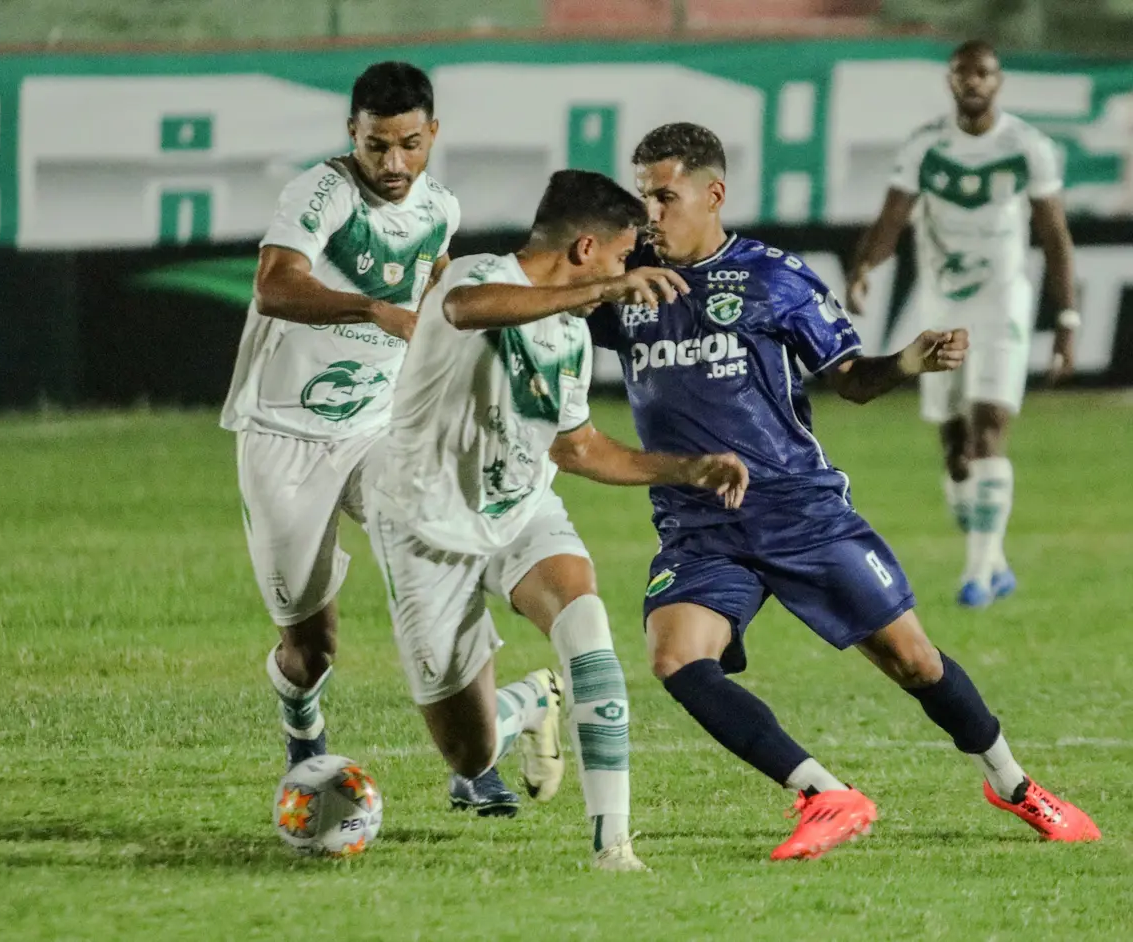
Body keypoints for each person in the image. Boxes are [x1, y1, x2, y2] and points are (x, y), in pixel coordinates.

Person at [588, 121, 1100, 861]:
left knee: (915, 663)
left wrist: (906, 362)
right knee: (675, 659)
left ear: (713, 194)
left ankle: (1013, 783)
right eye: (643, 197)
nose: (650, 214)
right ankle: (823, 792)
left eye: (664, 197)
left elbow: (851, 381)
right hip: (697, 523)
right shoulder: (627, 282)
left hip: (799, 511)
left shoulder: (773, 278)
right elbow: (546, 299)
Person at [366, 169, 749, 869]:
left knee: (587, 626)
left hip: (519, 507)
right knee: (471, 752)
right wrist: (602, 292)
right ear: (584, 249)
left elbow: (577, 449)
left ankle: (613, 846)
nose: (626, 270)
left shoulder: (569, 335)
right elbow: (466, 311)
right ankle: (526, 704)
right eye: (622, 256)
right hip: (424, 526)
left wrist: (689, 468)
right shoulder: (477, 277)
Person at [220, 62, 457, 769]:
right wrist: (372, 309)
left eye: (410, 145)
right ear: (352, 132)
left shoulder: (442, 208)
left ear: (433, 133)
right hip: (283, 437)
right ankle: (301, 717)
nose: (394, 164)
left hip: (374, 430)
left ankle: (477, 761)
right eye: (377, 145)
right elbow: (274, 287)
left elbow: (435, 274)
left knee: (435, 562)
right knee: (311, 647)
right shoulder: (321, 193)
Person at [847, 39, 1079, 608]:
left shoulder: (1027, 146)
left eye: (983, 73)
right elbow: (892, 217)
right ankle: (992, 559)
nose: (973, 81)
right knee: (955, 449)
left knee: (988, 427)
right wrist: (865, 267)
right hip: (942, 306)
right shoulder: (925, 145)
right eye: (963, 73)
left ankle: (975, 575)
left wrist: (1067, 318)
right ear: (951, 81)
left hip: (1002, 302)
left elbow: (1054, 235)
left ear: (998, 81)